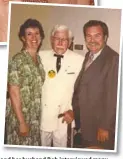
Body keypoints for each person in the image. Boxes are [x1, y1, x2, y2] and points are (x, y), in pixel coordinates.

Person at [72, 20, 119, 149]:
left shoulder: (113, 59)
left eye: (97, 35)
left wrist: (105, 126)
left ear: (105, 37)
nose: (92, 40)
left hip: (100, 126)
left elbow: (113, 97)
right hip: (86, 121)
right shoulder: (89, 55)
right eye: (89, 36)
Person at [39, 24, 84, 147]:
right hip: (44, 115)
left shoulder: (80, 60)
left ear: (69, 42)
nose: (60, 42)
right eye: (56, 38)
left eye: (64, 39)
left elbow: (83, 91)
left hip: (65, 116)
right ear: (51, 39)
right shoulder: (40, 57)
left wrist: (74, 112)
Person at [5, 18, 45, 146]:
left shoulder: (38, 60)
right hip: (20, 117)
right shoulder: (18, 60)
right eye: (29, 34)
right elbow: (13, 91)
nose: (34, 37)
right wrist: (21, 122)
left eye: (37, 33)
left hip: (35, 118)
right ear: (23, 38)